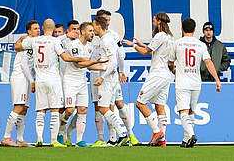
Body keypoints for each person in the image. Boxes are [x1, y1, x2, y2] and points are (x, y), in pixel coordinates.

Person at [14, 18, 86, 147]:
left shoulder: (34, 40)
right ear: (53, 29)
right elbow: (65, 57)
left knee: (41, 110)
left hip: (40, 80)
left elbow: (17, 47)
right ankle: (53, 141)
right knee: (54, 110)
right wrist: (80, 58)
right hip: (53, 79)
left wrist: (23, 37)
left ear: (42, 28)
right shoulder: (55, 41)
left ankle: (39, 139)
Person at [168, 18, 221, 148]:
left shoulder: (177, 43)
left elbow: (170, 62)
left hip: (182, 82)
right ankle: (186, 140)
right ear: (194, 29)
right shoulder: (200, 44)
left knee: (183, 112)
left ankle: (191, 135)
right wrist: (217, 80)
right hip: (196, 82)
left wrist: (174, 70)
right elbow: (208, 62)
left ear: (181, 29)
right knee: (191, 111)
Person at [90, 10, 139, 147]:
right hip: (108, 76)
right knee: (107, 107)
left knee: (104, 108)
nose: (93, 28)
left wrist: (103, 77)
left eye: (94, 25)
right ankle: (114, 139)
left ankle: (123, 134)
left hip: (107, 78)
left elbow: (113, 61)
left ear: (99, 25)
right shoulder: (105, 39)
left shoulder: (106, 40)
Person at [123, 12, 173, 147]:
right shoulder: (169, 37)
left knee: (140, 103)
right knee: (159, 106)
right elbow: (153, 49)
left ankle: (157, 132)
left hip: (157, 74)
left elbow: (146, 52)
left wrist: (132, 45)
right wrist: (140, 43)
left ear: (158, 22)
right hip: (166, 75)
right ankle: (162, 140)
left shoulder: (160, 35)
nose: (153, 22)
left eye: (154, 20)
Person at [58, 22, 108, 147]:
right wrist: (95, 62)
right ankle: (60, 132)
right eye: (90, 31)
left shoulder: (90, 47)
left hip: (82, 81)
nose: (92, 33)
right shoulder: (73, 45)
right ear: (83, 31)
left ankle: (79, 140)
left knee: (83, 110)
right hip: (70, 81)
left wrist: (103, 67)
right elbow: (79, 64)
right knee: (69, 110)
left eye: (92, 31)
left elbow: (88, 66)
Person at [1, 20, 40, 147]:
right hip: (20, 77)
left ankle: (20, 139)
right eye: (35, 28)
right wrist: (32, 81)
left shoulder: (32, 42)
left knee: (24, 109)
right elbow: (23, 64)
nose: (38, 30)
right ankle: (6, 137)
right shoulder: (28, 42)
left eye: (39, 28)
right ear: (29, 31)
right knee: (18, 107)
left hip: (26, 78)